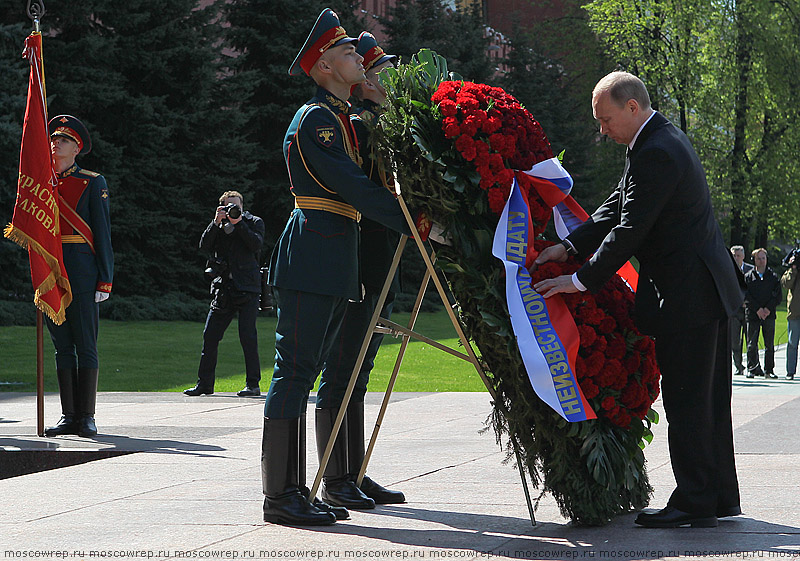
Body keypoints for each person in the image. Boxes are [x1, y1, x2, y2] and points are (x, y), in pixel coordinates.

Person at [532, 72, 744, 528]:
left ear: (632, 107)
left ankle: (695, 499)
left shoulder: (657, 152)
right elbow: (616, 206)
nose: (602, 131)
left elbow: (631, 229)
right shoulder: (653, 142)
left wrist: (579, 280)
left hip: (688, 296)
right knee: (705, 401)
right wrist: (569, 246)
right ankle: (714, 495)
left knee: (689, 401)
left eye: (606, 120)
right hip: (700, 291)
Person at [261, 8, 424, 527]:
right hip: (314, 249)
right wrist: (412, 221)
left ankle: (301, 489)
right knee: (296, 372)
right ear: (325, 67)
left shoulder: (335, 119)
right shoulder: (317, 120)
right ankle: (281, 494)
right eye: (348, 52)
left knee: (309, 370)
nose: (359, 56)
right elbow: (352, 187)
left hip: (332, 253)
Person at [315, 31, 405, 507]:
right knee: (344, 363)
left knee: (362, 365)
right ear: (365, 80)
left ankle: (353, 469)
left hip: (383, 251)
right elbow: (366, 191)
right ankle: (336, 476)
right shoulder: (355, 124)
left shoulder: (381, 122)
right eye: (381, 70)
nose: (389, 78)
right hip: (363, 253)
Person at [44, 115, 113, 438]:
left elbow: (102, 233)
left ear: (77, 149)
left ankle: (86, 415)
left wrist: (105, 278)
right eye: (54, 138)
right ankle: (67, 415)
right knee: (62, 347)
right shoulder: (40, 182)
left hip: (83, 273)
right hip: (51, 272)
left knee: (85, 344)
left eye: (64, 140)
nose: (56, 143)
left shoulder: (91, 181)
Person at [184, 191, 265, 397]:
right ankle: (204, 384)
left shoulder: (253, 222)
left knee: (247, 336)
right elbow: (204, 245)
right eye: (228, 207)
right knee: (210, 335)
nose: (232, 210)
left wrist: (238, 223)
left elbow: (255, 244)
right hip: (224, 287)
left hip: (247, 287)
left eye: (235, 206)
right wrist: (215, 222)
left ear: (242, 206)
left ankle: (253, 384)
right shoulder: (218, 225)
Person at [744, 248, 781, 379]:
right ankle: (752, 368)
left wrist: (767, 309)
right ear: (754, 260)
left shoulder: (773, 277)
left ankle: (769, 370)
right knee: (751, 344)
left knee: (769, 344)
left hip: (769, 315)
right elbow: (746, 296)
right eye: (759, 258)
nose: (761, 261)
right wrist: (758, 309)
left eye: (763, 258)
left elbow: (777, 296)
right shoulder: (748, 277)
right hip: (753, 315)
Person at [730, 245, 754, 375]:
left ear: (743, 256)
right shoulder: (728, 270)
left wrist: (748, 302)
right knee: (735, 341)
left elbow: (754, 289)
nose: (736, 258)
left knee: (750, 340)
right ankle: (739, 366)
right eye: (734, 255)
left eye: (738, 255)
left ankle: (752, 366)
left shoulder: (750, 270)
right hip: (734, 311)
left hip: (748, 309)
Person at [781, 252, 799, 380]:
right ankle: (790, 371)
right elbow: (786, 284)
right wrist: (793, 268)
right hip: (795, 311)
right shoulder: (792, 269)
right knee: (792, 343)